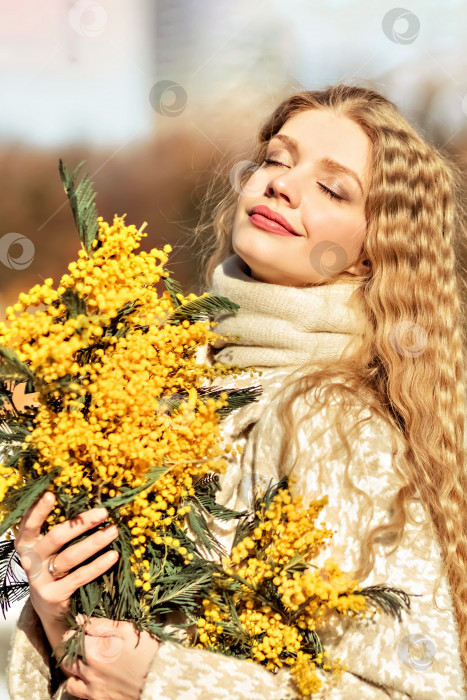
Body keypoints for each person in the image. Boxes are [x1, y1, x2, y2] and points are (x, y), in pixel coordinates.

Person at [7, 83, 467, 699]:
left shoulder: (335, 422)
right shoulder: (171, 380)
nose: (280, 184)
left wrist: (163, 679)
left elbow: (415, 693)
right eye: (277, 159)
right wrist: (63, 611)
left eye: (333, 188)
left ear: (370, 255)